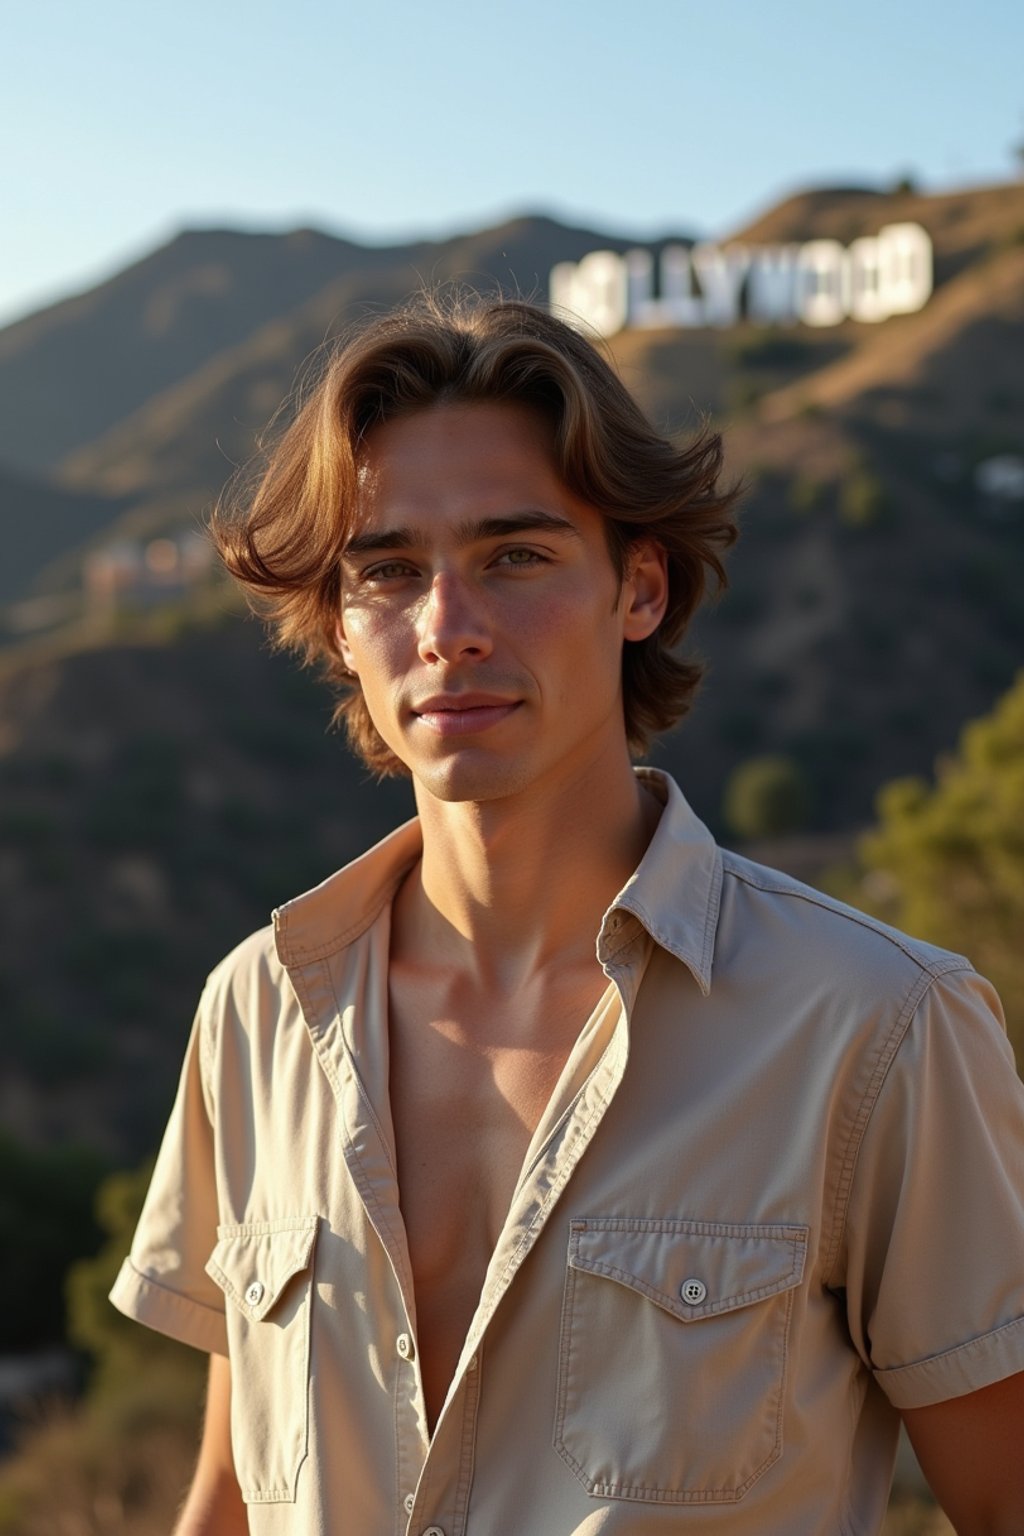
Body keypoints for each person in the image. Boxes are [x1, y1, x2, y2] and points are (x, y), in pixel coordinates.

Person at [110, 295, 1024, 1535]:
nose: (448, 630)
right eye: (389, 570)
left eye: (515, 556)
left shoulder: (877, 1027)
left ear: (638, 587)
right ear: (339, 620)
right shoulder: (257, 1013)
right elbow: (229, 1498)